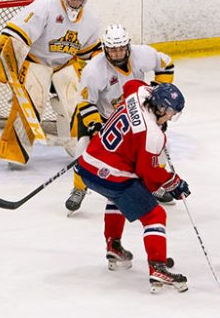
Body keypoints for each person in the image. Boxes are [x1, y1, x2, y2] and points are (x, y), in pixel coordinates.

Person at [75, 79, 190, 293]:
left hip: (87, 165)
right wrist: (174, 182)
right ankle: (158, 267)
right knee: (155, 215)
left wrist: (153, 86)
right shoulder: (152, 135)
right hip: (110, 176)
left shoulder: (139, 92)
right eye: (171, 112)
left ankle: (114, 247)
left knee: (116, 197)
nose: (171, 117)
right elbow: (148, 173)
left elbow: (131, 84)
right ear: (162, 108)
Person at [65, 23, 175, 214]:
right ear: (105, 49)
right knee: (83, 147)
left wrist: (158, 92)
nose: (117, 54)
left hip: (135, 113)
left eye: (121, 49)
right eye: (112, 50)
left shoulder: (142, 54)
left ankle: (155, 185)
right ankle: (79, 188)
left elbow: (166, 63)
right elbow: (85, 102)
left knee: (160, 146)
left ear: (128, 46)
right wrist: (95, 126)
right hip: (101, 114)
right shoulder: (94, 70)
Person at [0, 0, 101, 165]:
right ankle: (14, 153)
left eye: (80, 0)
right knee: (31, 103)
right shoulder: (44, 7)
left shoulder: (90, 20)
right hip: (36, 62)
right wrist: (8, 60)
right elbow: (17, 34)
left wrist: (100, 71)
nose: (76, 3)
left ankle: (79, 146)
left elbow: (92, 52)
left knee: (78, 103)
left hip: (65, 64)